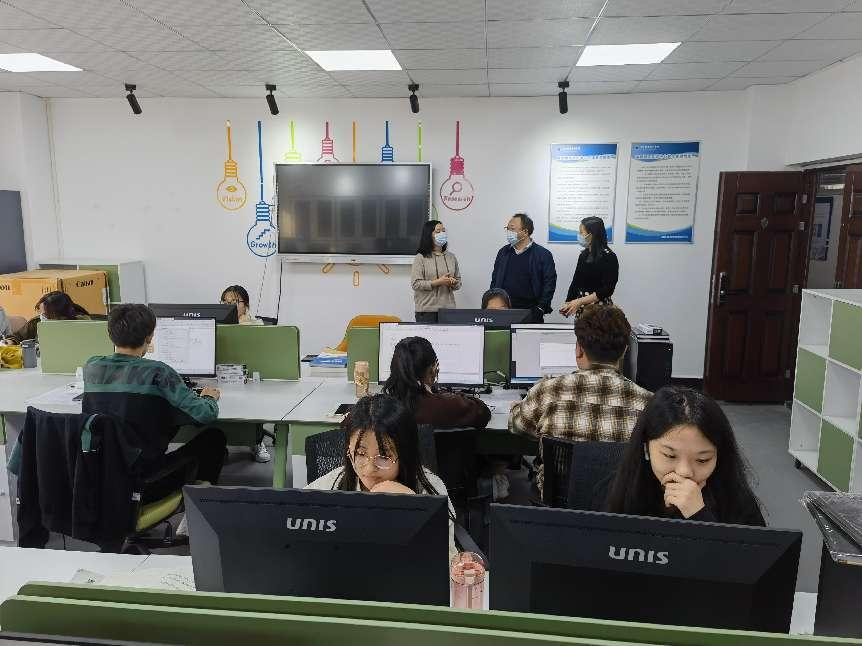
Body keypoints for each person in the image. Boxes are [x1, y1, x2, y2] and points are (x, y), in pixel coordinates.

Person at [83, 304, 227, 506]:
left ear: (110, 335)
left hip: (100, 478)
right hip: (144, 483)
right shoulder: (159, 372)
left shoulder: (92, 366)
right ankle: (199, 509)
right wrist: (209, 398)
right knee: (214, 439)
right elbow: (205, 414)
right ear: (150, 337)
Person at [509, 303, 651, 494]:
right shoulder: (649, 404)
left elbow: (517, 425)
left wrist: (520, 405)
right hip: (617, 504)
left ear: (578, 350)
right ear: (625, 351)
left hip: (557, 502)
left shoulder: (547, 391)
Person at [306, 394, 458, 560]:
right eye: (360, 453)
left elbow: (448, 562)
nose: (370, 469)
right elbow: (292, 517)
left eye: (384, 456)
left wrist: (416, 506)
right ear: (349, 452)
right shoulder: (333, 484)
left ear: (405, 455)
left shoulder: (430, 488)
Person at [604, 386, 765, 526]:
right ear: (646, 448)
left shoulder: (736, 499)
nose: (684, 472)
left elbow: (752, 551)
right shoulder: (620, 489)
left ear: (719, 456)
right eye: (670, 456)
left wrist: (699, 515)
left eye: (702, 460)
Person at [382, 336, 490, 429]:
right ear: (432, 369)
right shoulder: (447, 405)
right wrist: (444, 394)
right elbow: (483, 413)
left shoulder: (383, 407)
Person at [220, 285, 269, 463]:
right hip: (223, 375)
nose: (230, 306)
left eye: (235, 302)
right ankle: (220, 443)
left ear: (246, 304)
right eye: (225, 302)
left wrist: (242, 325)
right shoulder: (216, 326)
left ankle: (257, 441)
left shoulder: (256, 325)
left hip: (250, 376)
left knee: (255, 397)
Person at [490, 213, 556, 323]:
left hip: (531, 312)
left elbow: (549, 284)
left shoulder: (543, 254)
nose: (508, 232)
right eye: (507, 228)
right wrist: (493, 302)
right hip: (504, 310)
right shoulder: (503, 252)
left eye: (512, 229)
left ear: (525, 232)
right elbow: (495, 279)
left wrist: (541, 308)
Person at [560, 216, 619, 317]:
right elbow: (576, 282)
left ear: (591, 235)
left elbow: (608, 289)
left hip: (601, 309)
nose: (579, 235)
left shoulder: (609, 257)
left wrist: (580, 301)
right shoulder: (584, 255)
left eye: (581, 232)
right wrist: (568, 303)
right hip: (582, 308)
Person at [411, 220, 461, 323]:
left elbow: (458, 283)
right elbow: (416, 284)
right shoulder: (420, 257)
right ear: (429, 235)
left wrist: (453, 282)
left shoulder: (451, 257)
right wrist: (438, 282)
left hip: (448, 310)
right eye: (438, 231)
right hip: (426, 311)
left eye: (443, 231)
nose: (442, 234)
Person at [9, 291, 91, 344]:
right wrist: (11, 341)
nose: (42, 316)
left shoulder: (82, 323)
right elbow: (18, 336)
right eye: (40, 312)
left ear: (61, 314)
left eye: (46, 314)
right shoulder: (36, 322)